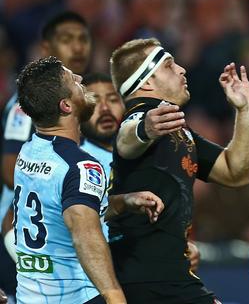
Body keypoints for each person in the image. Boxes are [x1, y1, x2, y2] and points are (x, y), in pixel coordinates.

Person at [108, 38, 249, 303]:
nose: (181, 70)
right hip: (146, 276)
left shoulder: (179, 131)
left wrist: (246, 109)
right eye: (168, 65)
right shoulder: (141, 116)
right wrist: (144, 130)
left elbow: (236, 172)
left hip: (170, 274)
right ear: (146, 83)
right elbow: (126, 139)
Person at [12, 56, 162, 303]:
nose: (82, 79)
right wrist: (114, 297)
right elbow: (85, 235)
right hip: (74, 297)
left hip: (30, 295)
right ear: (66, 106)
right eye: (74, 80)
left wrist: (123, 202)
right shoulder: (81, 165)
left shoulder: (29, 152)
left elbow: (59, 210)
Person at [1, 10, 92, 297]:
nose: (77, 47)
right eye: (67, 39)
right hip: (25, 233)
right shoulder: (23, 105)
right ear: (46, 48)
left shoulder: (84, 103)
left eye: (83, 39)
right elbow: (8, 168)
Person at [80, 72, 201, 270]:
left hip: (148, 270)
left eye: (112, 99)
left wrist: (184, 247)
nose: (104, 109)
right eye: (94, 102)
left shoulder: (152, 157)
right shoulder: (74, 163)